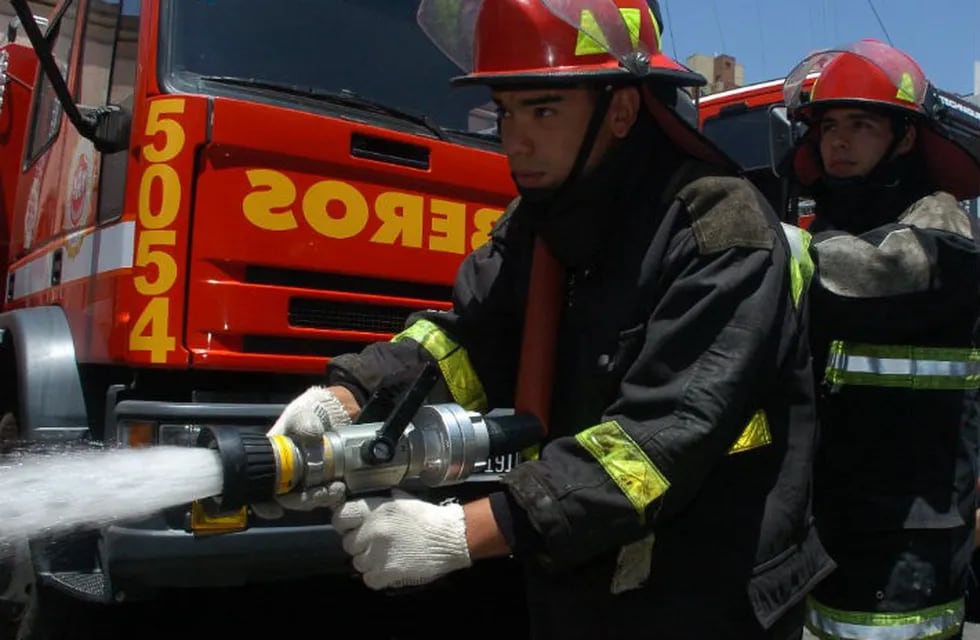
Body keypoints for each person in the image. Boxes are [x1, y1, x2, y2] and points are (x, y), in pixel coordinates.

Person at [266, 0, 834, 637]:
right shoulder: (541, 220)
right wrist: (346, 399)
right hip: (585, 574)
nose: (515, 140)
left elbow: (658, 442)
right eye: (506, 110)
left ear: (620, 111)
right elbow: (471, 340)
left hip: (707, 587)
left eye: (542, 109)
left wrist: (463, 532)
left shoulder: (717, 229)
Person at [781, 39, 980, 639]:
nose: (838, 141)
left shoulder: (940, 225)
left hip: (909, 532)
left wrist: (770, 249)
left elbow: (875, 272)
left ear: (907, 137)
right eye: (830, 125)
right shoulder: (839, 221)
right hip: (836, 513)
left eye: (860, 125)